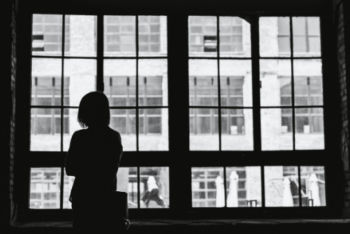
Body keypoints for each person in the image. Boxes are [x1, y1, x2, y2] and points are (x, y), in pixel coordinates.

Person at [65, 91, 125, 233]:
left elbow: (70, 168)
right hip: (106, 196)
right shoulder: (113, 137)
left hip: (82, 196)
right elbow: (110, 169)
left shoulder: (79, 137)